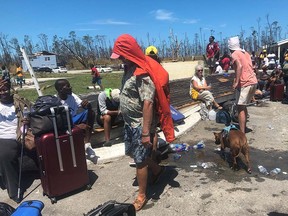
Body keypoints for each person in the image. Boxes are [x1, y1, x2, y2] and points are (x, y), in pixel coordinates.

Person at [110, 34, 175, 211]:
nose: (120, 60)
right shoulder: (128, 69)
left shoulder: (142, 73)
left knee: (139, 161)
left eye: (121, 56)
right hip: (130, 123)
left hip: (140, 124)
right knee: (135, 155)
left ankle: (142, 195)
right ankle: (157, 170)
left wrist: (146, 132)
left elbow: (148, 102)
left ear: (128, 53)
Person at [54, 79, 97, 164]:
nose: (70, 88)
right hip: (65, 122)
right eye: (67, 86)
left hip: (74, 118)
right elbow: (59, 122)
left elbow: (82, 105)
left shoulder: (72, 96)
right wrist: (75, 126)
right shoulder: (56, 101)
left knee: (91, 112)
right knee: (84, 127)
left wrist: (87, 105)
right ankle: (86, 144)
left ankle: (87, 143)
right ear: (60, 89)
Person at [228, 36, 257, 134]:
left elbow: (239, 66)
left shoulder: (234, 54)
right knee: (243, 106)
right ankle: (243, 126)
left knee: (240, 107)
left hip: (245, 83)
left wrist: (236, 82)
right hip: (253, 81)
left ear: (230, 48)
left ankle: (242, 132)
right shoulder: (246, 53)